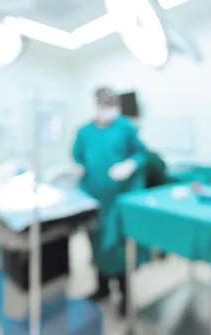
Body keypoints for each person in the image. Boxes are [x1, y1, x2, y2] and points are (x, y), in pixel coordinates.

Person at [72, 87, 149, 317]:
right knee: (96, 245)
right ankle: (102, 288)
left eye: (111, 103)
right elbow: (77, 157)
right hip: (94, 200)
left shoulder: (125, 127)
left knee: (119, 248)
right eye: (103, 103)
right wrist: (76, 169)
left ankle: (125, 296)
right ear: (96, 103)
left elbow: (142, 154)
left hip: (118, 202)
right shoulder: (84, 131)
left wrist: (130, 165)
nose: (107, 108)